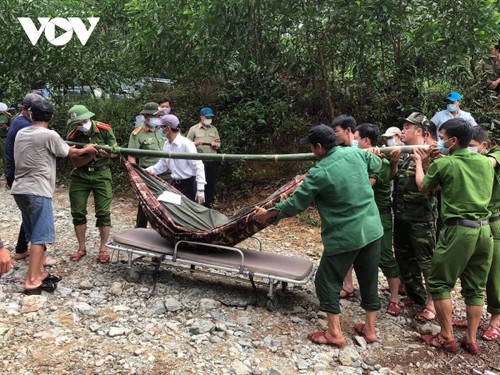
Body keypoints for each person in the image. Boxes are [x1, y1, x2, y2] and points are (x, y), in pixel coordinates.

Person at [254, 124, 383, 347]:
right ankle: (370, 330)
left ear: (320, 147)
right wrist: (372, 154)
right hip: (372, 229)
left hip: (346, 235)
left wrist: (270, 214)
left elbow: (296, 203)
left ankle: (334, 333)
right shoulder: (355, 153)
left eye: (313, 148)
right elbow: (378, 163)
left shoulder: (319, 172)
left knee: (325, 279)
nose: (313, 152)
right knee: (369, 278)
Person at [413, 118, 494, 354]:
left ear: (454, 140)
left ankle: (446, 336)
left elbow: (423, 187)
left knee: (439, 283)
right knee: (476, 288)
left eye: (443, 136)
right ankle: (470, 338)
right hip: (484, 230)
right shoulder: (485, 163)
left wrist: (421, 162)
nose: (440, 141)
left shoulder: (445, 164)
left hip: (458, 230)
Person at [11, 101, 98, 294]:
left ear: (31, 115)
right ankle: (32, 280)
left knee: (32, 230)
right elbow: (67, 152)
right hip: (38, 190)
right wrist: (87, 149)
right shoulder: (49, 135)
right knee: (39, 237)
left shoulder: (21, 132)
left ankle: (40, 272)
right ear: (51, 117)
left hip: (20, 189)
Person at [391, 112, 438, 320]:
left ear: (419, 131)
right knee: (403, 258)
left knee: (426, 262)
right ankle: (415, 295)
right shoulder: (403, 154)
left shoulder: (430, 153)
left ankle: (432, 302)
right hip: (401, 216)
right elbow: (394, 178)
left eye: (407, 127)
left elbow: (431, 185)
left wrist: (424, 162)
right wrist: (393, 161)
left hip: (421, 219)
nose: (403, 130)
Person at [354, 123, 401, 316]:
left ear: (365, 141)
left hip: (380, 214)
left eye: (356, 138)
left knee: (384, 256)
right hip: (363, 213)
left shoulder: (380, 162)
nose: (353, 142)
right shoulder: (364, 158)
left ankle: (395, 299)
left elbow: (363, 184)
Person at [66, 104, 117, 263]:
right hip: (80, 175)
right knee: (78, 212)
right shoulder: (73, 135)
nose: (81, 126)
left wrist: (108, 153)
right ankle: (81, 248)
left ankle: (103, 248)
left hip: (102, 174)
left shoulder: (104, 129)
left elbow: (115, 152)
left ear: (89, 118)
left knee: (103, 212)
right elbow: (75, 162)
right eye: (77, 124)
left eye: (83, 122)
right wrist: (89, 153)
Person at [468, 127, 500, 342]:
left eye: (471, 146)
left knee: (495, 273)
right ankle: (474, 318)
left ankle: (496, 319)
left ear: (484, 145)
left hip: (494, 221)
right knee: (473, 270)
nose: (468, 150)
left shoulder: (495, 155)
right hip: (473, 223)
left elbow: (489, 163)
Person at [5, 92, 44, 261]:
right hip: (21, 175)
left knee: (28, 213)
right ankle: (41, 257)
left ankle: (21, 249)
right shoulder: (24, 126)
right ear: (24, 109)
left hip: (16, 174)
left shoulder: (21, 121)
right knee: (37, 214)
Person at [146, 114, 206, 203]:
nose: (160, 130)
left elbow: (198, 166)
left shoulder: (186, 144)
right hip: (175, 184)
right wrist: (146, 171)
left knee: (188, 212)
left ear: (168, 128)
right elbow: (162, 165)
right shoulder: (167, 144)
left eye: (162, 127)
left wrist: (200, 189)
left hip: (189, 184)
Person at [127, 102, 165, 228]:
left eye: (159, 117)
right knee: (145, 203)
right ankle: (140, 229)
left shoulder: (163, 131)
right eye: (155, 117)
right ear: (146, 117)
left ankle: (165, 230)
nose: (157, 119)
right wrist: (135, 175)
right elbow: (131, 155)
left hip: (166, 173)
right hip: (148, 173)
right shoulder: (138, 134)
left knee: (166, 202)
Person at [187, 107, 221, 207]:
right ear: (201, 117)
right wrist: (195, 143)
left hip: (212, 160)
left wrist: (216, 144)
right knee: (198, 183)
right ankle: (197, 205)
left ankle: (207, 205)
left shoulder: (214, 129)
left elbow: (219, 143)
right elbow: (187, 144)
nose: (209, 119)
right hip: (199, 161)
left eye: (211, 117)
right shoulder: (193, 129)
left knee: (210, 183)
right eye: (207, 117)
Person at [0, 102, 12, 172]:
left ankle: (7, 175)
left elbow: (13, 129)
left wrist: (6, 127)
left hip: (4, 139)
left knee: (5, 158)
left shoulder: (8, 117)